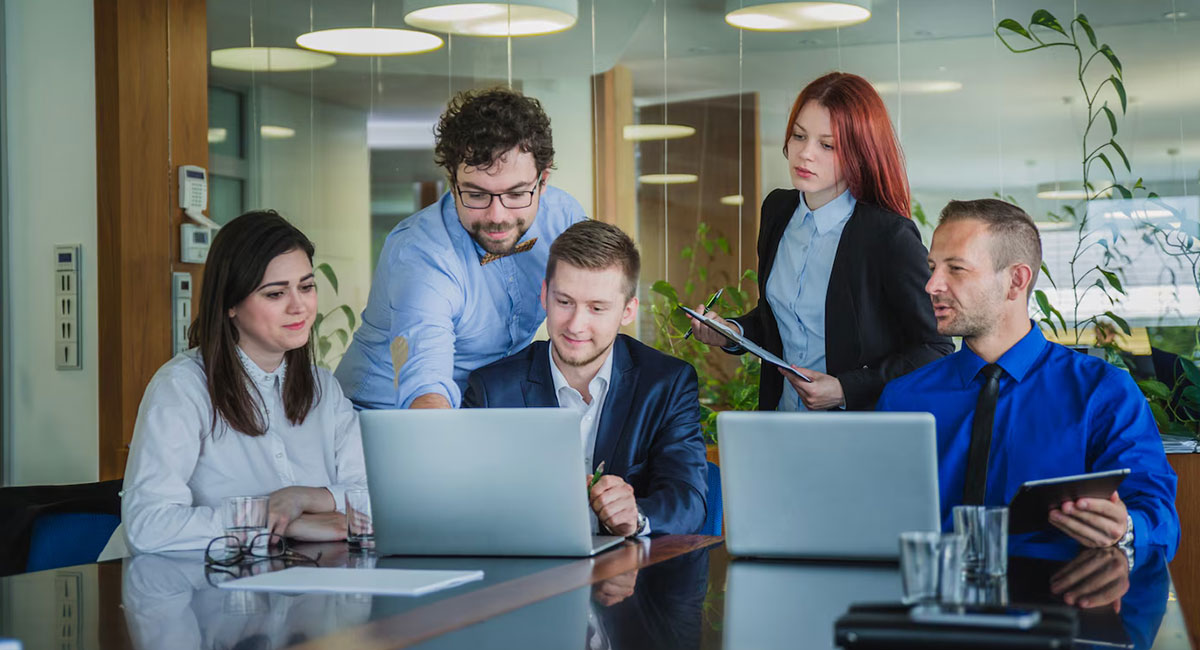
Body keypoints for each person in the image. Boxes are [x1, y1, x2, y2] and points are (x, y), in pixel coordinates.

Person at [877, 199, 1179, 558]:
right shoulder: (902, 399)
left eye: (955, 269)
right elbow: (872, 514)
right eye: (932, 267)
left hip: (1060, 600)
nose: (932, 285)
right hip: (931, 602)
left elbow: (1159, 519)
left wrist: (1125, 527)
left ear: (1015, 281)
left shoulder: (1102, 392)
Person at [688, 72, 951, 411]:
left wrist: (847, 388)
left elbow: (935, 349)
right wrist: (733, 332)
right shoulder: (778, 211)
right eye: (799, 136)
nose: (805, 154)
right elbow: (783, 322)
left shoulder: (887, 235)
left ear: (860, 153)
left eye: (827, 145)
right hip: (782, 420)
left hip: (855, 435)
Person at [120, 210, 367, 554]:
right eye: (275, 294)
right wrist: (276, 520)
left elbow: (371, 497)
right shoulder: (181, 388)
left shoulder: (324, 388)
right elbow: (148, 527)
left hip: (294, 581)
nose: (300, 307)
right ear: (231, 304)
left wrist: (302, 499)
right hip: (180, 592)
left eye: (306, 287)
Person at [336, 87, 588, 410]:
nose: (497, 217)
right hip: (379, 422)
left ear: (543, 181)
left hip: (479, 411)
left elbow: (597, 311)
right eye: (476, 194)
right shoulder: (422, 254)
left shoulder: (563, 218)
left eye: (516, 194)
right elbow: (426, 389)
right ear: (452, 182)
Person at [463, 220, 708, 536]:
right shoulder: (491, 390)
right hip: (526, 576)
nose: (576, 325)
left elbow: (688, 500)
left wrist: (637, 516)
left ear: (628, 311)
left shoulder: (667, 384)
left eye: (597, 308)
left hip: (631, 577)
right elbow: (468, 504)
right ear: (544, 295)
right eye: (564, 302)